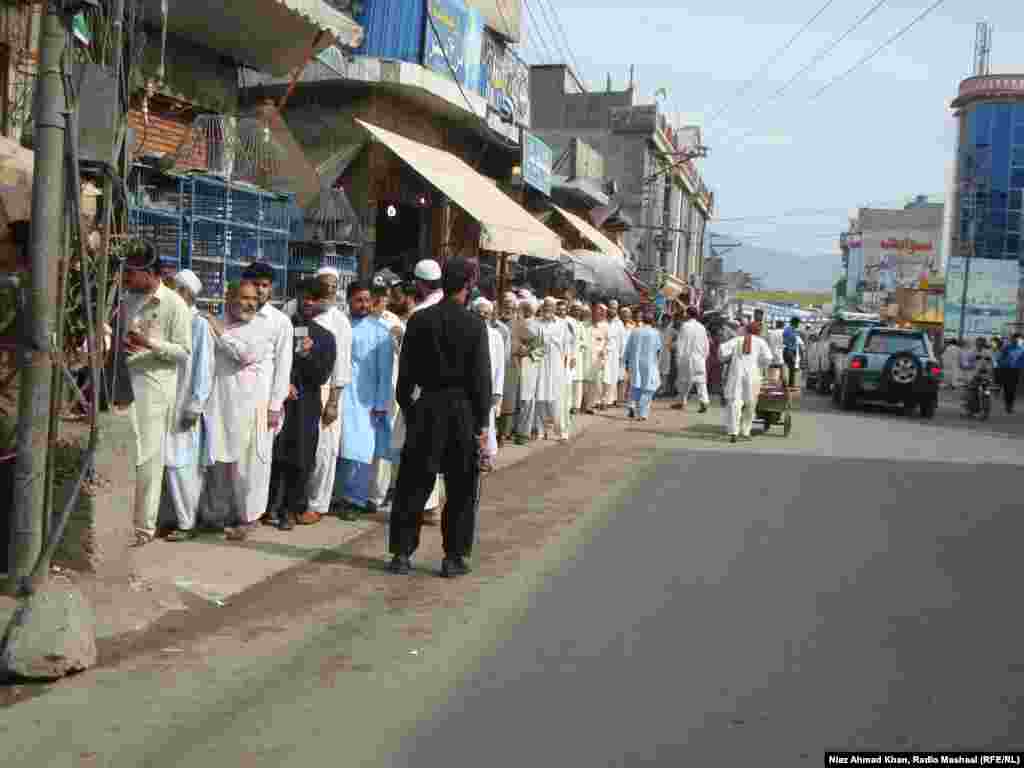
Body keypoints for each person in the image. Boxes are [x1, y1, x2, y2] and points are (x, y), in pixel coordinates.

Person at [387, 258, 492, 577]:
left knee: (412, 485)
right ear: (467, 286)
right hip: (462, 410)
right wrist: (482, 424)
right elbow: (481, 380)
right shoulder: (475, 324)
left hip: (427, 408)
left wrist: (410, 409)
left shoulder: (420, 320)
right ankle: (454, 557)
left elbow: (405, 377)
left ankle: (402, 554)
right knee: (461, 488)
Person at [120, 241, 193, 546]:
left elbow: (184, 352)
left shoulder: (174, 304)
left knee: (149, 458)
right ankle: (122, 522)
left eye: (132, 273)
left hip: (155, 388)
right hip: (124, 384)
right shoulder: (126, 300)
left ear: (150, 273)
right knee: (125, 455)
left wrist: (150, 344)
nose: (127, 278)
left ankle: (143, 528)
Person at [202, 281, 271, 539]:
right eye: (244, 298)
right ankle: (216, 516)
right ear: (228, 297)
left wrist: (221, 332)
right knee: (217, 462)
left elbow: (245, 354)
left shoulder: (259, 328)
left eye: (254, 299)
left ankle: (247, 517)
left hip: (246, 407)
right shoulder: (213, 322)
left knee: (244, 466)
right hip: (217, 403)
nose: (251, 303)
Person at [268, 280, 337, 530]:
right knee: (275, 454)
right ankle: (269, 507)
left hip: (306, 402)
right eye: (304, 296)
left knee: (301, 457)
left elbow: (321, 376)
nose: (308, 301)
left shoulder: (325, 337)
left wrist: (308, 355)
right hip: (278, 399)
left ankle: (291, 508)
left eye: (313, 297)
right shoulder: (280, 326)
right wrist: (283, 384)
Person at [241, 262, 293, 532]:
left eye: (264, 286)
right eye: (255, 285)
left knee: (259, 459)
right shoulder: (234, 315)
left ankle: (252, 515)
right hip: (235, 400)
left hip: (264, 402)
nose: (260, 291)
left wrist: (275, 406)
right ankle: (233, 511)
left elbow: (283, 367)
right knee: (236, 458)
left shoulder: (280, 321)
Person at [162, 270, 214, 541]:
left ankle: (187, 522)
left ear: (184, 292)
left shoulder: (198, 325)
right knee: (169, 462)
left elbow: (204, 369)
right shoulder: (171, 319)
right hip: (165, 403)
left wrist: (194, 406)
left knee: (182, 465)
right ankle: (173, 518)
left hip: (184, 406)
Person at [335, 280, 393, 519]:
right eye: (359, 300)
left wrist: (380, 405)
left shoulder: (380, 332)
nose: (364, 305)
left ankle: (356, 500)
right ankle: (339, 496)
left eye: (368, 300)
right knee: (340, 448)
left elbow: (385, 373)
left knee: (360, 451)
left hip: (365, 401)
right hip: (338, 397)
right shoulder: (340, 325)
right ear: (349, 300)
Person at [304, 269, 352, 521]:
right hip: (304, 390)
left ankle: (318, 504)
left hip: (328, 391)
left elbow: (341, 366)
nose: (330, 290)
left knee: (324, 450)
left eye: (334, 286)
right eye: (325, 286)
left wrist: (333, 402)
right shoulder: (302, 312)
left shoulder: (339, 321)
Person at [719, 321, 772, 443]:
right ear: (758, 332)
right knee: (750, 403)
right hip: (753, 376)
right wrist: (761, 365)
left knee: (734, 403)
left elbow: (722, 350)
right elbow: (768, 358)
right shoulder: (761, 342)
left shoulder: (737, 340)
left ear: (747, 330)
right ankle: (746, 431)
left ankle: (733, 432)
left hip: (736, 374)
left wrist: (726, 359)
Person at [472, 297, 505, 470]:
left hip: (488, 388)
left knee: (488, 423)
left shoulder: (496, 335)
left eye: (486, 313)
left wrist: (498, 392)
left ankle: (486, 456)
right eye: (480, 312)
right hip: (469, 387)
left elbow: (500, 365)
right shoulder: (466, 332)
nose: (483, 315)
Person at [536, 297, 568, 442]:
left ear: (555, 308)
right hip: (540, 365)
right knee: (540, 398)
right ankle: (542, 430)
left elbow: (567, 347)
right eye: (546, 305)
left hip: (556, 366)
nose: (548, 308)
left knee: (556, 400)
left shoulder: (562, 324)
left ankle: (561, 431)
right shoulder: (537, 323)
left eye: (551, 306)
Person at [623, 309, 662, 421]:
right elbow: (658, 350)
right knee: (648, 388)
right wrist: (657, 363)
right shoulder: (655, 333)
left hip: (635, 362)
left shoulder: (635, 331)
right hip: (649, 363)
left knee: (636, 385)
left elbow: (628, 348)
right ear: (652, 321)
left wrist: (626, 362)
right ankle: (642, 413)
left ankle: (631, 405)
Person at [513, 296, 542, 444]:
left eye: (530, 308)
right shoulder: (516, 323)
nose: (527, 310)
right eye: (525, 308)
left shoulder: (538, 325)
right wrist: (518, 349)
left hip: (531, 364)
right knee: (516, 397)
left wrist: (529, 350)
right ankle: (513, 429)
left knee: (527, 399)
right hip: (515, 362)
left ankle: (524, 431)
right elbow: (513, 342)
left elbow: (541, 348)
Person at [672, 306, 710, 413]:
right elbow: (706, 345)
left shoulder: (685, 326)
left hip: (687, 358)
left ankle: (681, 401)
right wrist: (704, 357)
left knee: (683, 381)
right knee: (701, 382)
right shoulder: (701, 327)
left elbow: (681, 343)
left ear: (688, 314)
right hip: (699, 358)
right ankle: (704, 401)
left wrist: (678, 358)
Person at [497, 293, 519, 443]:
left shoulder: (519, 324)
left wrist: (524, 351)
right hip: (497, 367)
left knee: (509, 401)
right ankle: (496, 432)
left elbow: (537, 345)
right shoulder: (495, 324)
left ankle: (505, 433)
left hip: (512, 366)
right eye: (505, 306)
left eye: (510, 307)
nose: (508, 309)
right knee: (497, 399)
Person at [588, 303, 610, 412]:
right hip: (587, 356)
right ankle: (589, 403)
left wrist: (604, 353)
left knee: (598, 381)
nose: (598, 313)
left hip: (599, 357)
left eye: (601, 311)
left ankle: (597, 402)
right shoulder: (588, 324)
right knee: (589, 381)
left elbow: (608, 342)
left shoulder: (606, 326)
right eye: (597, 310)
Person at [997, 333, 1024, 413]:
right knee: (1007, 388)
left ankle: (1010, 405)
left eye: (1018, 339)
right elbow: (999, 358)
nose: (1016, 340)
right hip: (1006, 370)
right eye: (1015, 338)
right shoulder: (1007, 348)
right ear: (1012, 339)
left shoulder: (1021, 349)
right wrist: (1003, 363)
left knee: (1013, 389)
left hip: (1016, 371)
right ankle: (1008, 405)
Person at [605, 300, 625, 406]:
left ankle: (610, 399)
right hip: (603, 352)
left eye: (614, 308)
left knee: (612, 376)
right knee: (603, 376)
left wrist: (621, 355)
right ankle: (600, 399)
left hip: (614, 354)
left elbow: (622, 341)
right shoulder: (603, 320)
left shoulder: (619, 323)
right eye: (610, 307)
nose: (612, 310)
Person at [618, 306, 635, 405]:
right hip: (619, 354)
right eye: (624, 315)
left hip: (629, 355)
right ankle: (619, 398)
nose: (626, 316)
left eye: (627, 315)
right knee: (620, 377)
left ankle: (627, 396)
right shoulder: (618, 325)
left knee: (628, 377)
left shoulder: (632, 327)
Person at [782, 317, 802, 388]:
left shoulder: (793, 330)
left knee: (791, 368)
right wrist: (790, 350)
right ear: (795, 323)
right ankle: (789, 385)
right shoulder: (789, 330)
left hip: (791, 351)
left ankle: (790, 384)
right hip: (789, 351)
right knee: (791, 368)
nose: (798, 325)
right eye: (798, 323)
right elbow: (786, 341)